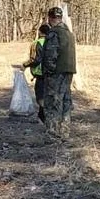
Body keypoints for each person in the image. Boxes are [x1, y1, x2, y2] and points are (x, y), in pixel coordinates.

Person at [42, 7, 77, 138]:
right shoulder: (69, 33)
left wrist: (48, 72)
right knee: (66, 100)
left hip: (56, 72)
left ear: (50, 18)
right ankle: (65, 130)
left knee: (53, 101)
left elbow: (51, 55)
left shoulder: (54, 33)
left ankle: (53, 131)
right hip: (68, 71)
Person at [23, 24, 50, 123]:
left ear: (40, 32)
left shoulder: (37, 43)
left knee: (40, 96)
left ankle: (43, 117)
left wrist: (24, 65)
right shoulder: (52, 42)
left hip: (40, 74)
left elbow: (35, 59)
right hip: (51, 74)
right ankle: (42, 115)